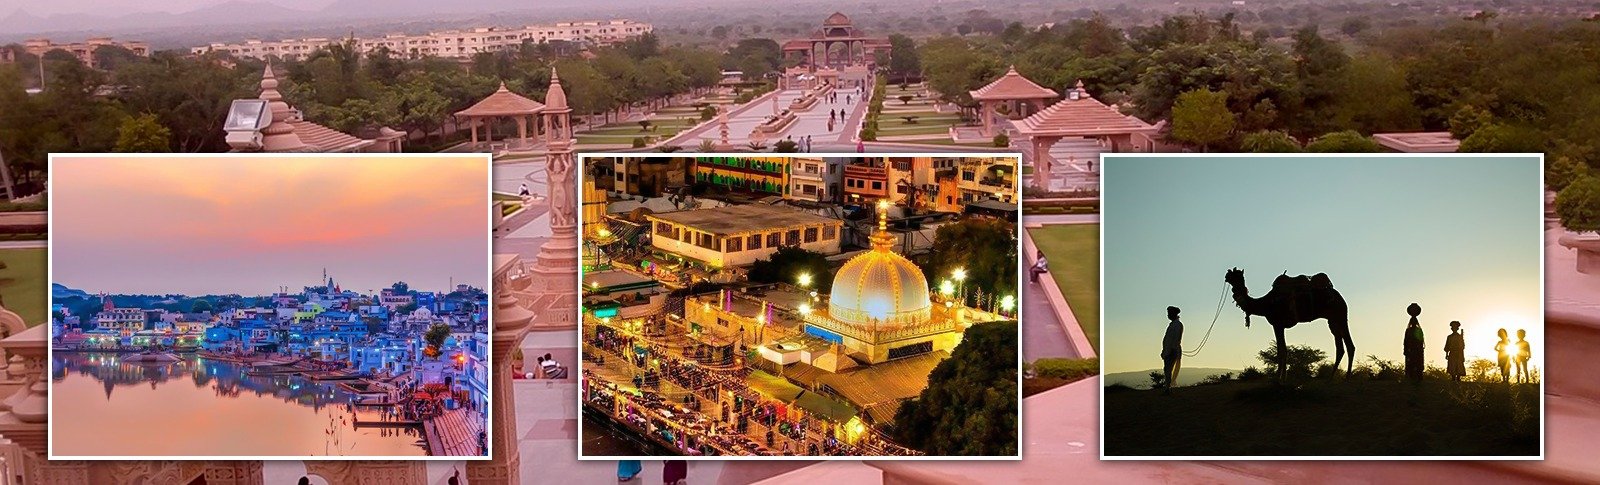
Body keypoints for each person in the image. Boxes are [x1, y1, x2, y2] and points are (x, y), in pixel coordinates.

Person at [1161, 306, 1183, 395]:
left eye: (1169, 313)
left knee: (1168, 369)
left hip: (1172, 351)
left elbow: (1175, 339)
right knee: (1167, 369)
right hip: (1169, 350)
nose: (1168, 315)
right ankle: (1168, 387)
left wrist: (1170, 350)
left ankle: (1168, 388)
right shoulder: (1174, 324)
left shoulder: (1177, 325)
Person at [1403, 303, 1425, 383]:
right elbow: (1406, 341)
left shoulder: (1410, 330)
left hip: (1413, 350)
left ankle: (1415, 378)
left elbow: (1420, 341)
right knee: (1413, 364)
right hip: (1413, 350)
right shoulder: (1413, 331)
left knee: (1414, 364)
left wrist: (1406, 349)